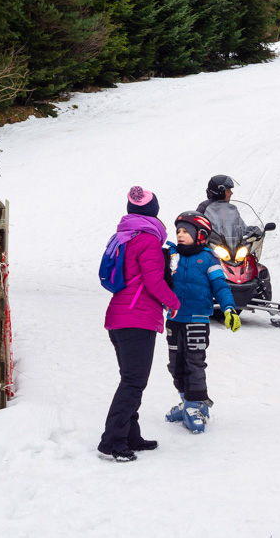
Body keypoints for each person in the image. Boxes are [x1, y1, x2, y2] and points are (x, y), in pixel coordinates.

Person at [98, 186, 181, 462]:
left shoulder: (123, 235)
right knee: (133, 382)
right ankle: (113, 441)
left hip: (120, 317)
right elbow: (154, 282)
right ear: (153, 211)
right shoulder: (147, 239)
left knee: (131, 380)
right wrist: (174, 301)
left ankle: (131, 434)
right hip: (137, 319)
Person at [164, 211, 240, 434]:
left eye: (186, 231)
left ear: (200, 234)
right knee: (174, 364)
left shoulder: (208, 258)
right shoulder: (171, 256)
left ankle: (195, 406)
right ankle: (187, 401)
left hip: (197, 320)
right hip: (174, 319)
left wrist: (228, 309)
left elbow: (221, 286)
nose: (180, 234)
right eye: (178, 230)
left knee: (194, 364)